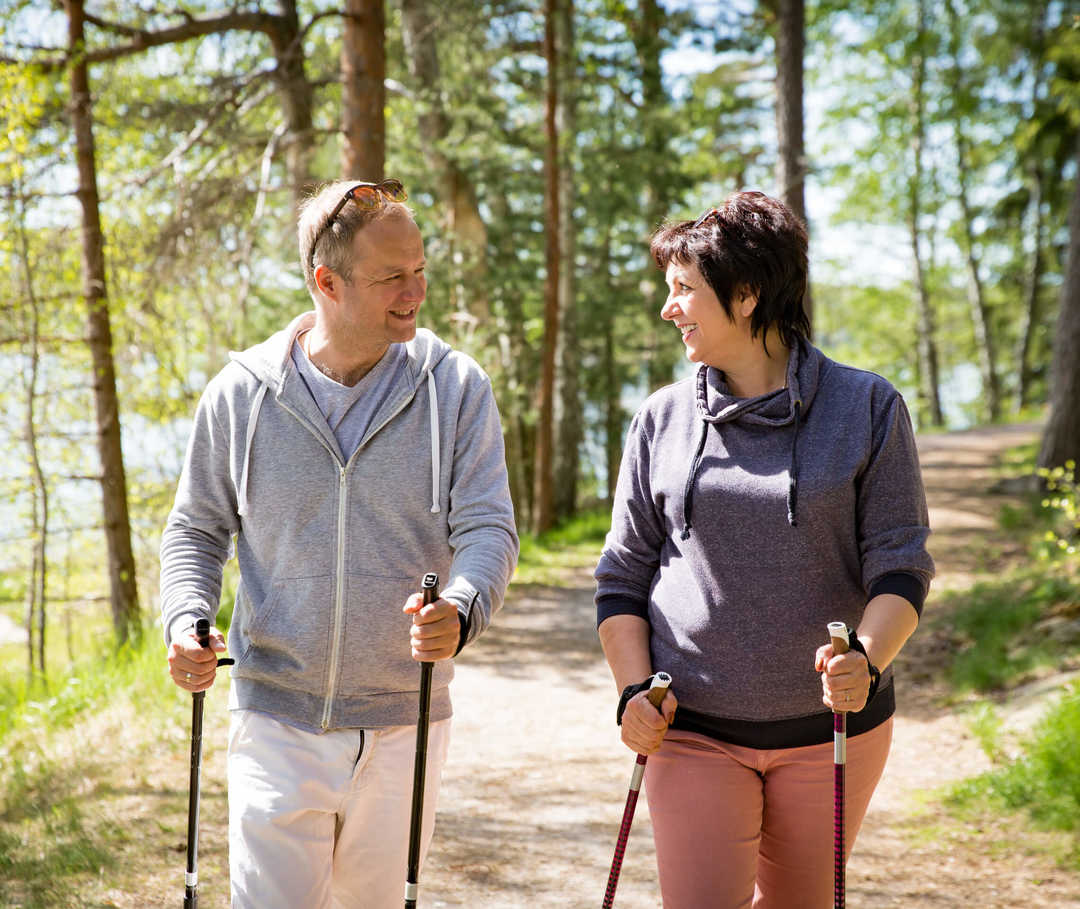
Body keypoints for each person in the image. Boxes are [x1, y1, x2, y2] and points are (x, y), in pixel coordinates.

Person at [160, 179, 518, 908]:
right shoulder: (242, 394)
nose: (416, 289)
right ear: (327, 282)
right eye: (393, 276)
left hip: (404, 721)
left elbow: (487, 525)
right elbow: (195, 528)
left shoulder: (455, 388)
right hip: (276, 719)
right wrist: (183, 619)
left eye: (420, 269)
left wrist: (463, 603)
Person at [594, 190, 934, 909]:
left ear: (746, 294)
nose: (669, 307)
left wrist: (866, 660)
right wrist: (630, 691)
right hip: (692, 727)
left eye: (683, 289)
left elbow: (902, 565)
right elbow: (622, 577)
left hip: (833, 729)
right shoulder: (661, 419)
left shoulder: (868, 407)